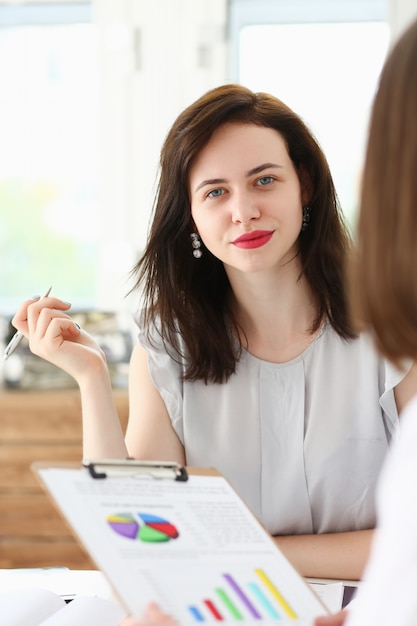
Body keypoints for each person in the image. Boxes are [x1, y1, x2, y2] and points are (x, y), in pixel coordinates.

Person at [11, 84, 410, 583]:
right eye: (216, 191)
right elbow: (139, 534)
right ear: (192, 215)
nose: (243, 211)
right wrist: (91, 379)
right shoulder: (167, 343)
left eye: (264, 180)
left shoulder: (395, 329)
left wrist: (243, 550)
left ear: (303, 185)